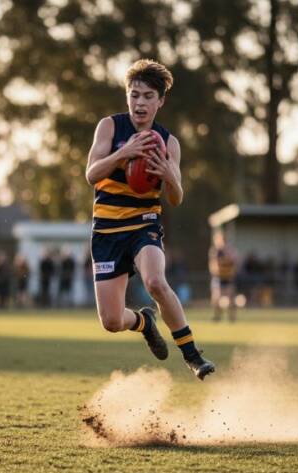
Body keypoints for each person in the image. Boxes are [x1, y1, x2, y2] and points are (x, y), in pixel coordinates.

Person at [84, 59, 214, 380]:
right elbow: (91, 174)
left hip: (144, 223)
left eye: (147, 96)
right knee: (112, 321)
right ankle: (144, 322)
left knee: (155, 282)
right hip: (107, 230)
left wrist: (171, 176)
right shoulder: (110, 127)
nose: (139, 102)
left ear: (160, 101)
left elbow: (175, 197)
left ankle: (192, 355)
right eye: (134, 94)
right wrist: (121, 154)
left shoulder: (168, 143)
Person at [208, 231, 237, 322]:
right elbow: (213, 266)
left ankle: (232, 317)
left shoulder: (229, 250)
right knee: (216, 299)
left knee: (230, 298)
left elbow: (235, 260)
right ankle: (217, 317)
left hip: (228, 278)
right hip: (218, 277)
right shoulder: (214, 251)